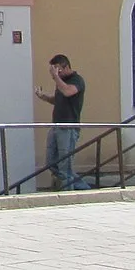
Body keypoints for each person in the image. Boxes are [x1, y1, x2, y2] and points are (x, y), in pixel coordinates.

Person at [37, 53, 90, 191]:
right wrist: (44, 97)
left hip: (68, 128)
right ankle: (81, 187)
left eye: (57, 69)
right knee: (51, 162)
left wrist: (56, 77)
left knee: (65, 165)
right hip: (56, 126)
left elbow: (68, 92)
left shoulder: (77, 80)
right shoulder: (60, 82)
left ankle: (75, 191)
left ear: (66, 67)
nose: (55, 73)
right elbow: (58, 100)